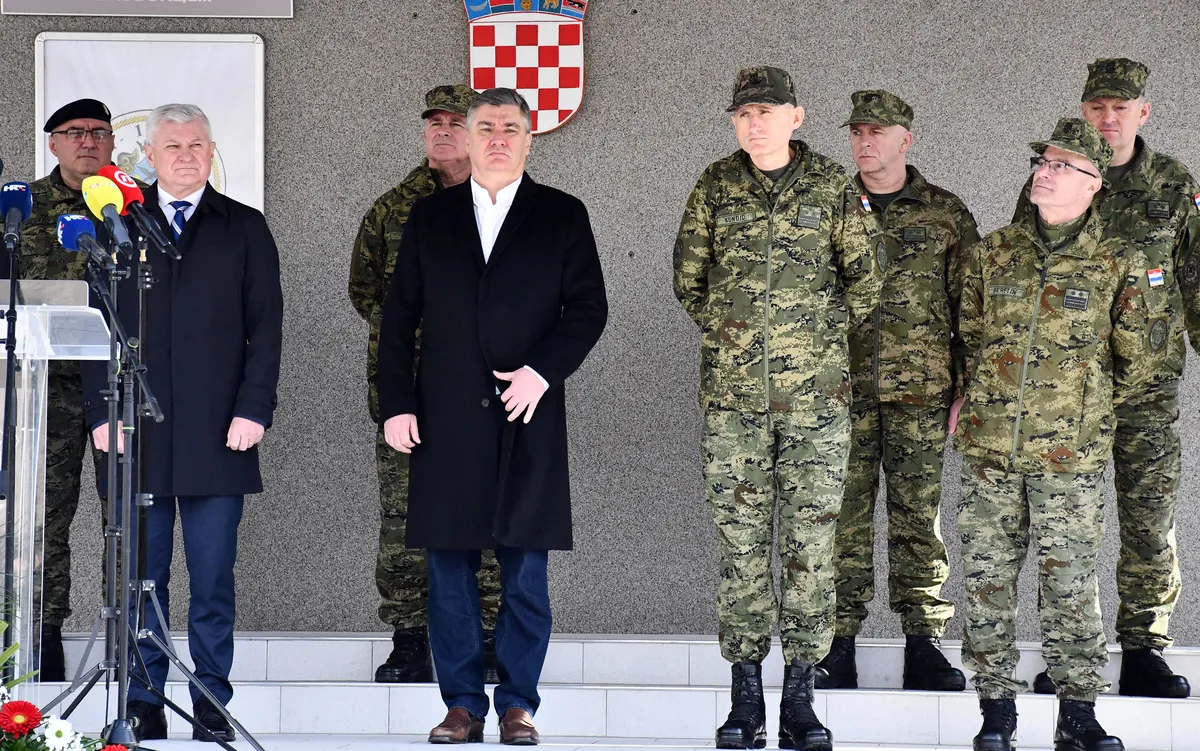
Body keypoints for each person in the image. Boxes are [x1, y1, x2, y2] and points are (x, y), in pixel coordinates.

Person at [376, 88, 607, 746]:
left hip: (527, 414)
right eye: (486, 128)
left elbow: (588, 308)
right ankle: (461, 705)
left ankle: (517, 705)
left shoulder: (562, 213)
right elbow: (398, 317)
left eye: (510, 128)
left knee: (524, 571)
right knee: (448, 570)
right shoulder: (430, 217)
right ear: (469, 140)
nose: (498, 138)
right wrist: (397, 403)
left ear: (530, 140)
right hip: (444, 418)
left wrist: (542, 371)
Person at [673, 66, 883, 751]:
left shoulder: (832, 186)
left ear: (796, 116)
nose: (754, 122)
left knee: (810, 548)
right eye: (743, 113)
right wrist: (737, 337)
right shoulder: (715, 185)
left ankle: (799, 698)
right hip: (734, 405)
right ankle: (744, 700)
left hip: (816, 407)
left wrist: (811, 342)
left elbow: (866, 280)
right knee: (740, 548)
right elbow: (689, 280)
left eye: (766, 111)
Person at [953, 118, 1161, 751]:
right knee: (986, 582)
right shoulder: (994, 251)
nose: (1043, 172)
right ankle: (995, 711)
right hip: (990, 452)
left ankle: (1077, 712)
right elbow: (970, 336)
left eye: (1060, 166)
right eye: (1042, 162)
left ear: (1093, 183)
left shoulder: (1118, 262)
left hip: (1069, 458)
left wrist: (1083, 410)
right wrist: (978, 400)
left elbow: (1139, 360)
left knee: (1070, 587)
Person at [82, 103, 283, 743]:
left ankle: (211, 698)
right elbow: (95, 327)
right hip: (135, 433)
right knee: (142, 578)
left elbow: (266, 327)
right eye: (173, 146)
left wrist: (254, 408)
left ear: (212, 150)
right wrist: (100, 412)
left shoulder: (243, 226)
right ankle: (143, 699)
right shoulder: (117, 225)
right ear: (149, 155)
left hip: (220, 431)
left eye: (197, 144)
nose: (186, 155)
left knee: (213, 577)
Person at [1013, 58, 1200, 699]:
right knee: (1070, 526)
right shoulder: (1052, 176)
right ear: (1084, 110)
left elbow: (1195, 278)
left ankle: (1144, 650)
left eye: (1121, 107)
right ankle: (1072, 655)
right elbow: (1025, 270)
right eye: (1098, 106)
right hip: (1069, 390)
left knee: (1149, 518)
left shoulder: (1174, 184)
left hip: (1148, 387)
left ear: (1143, 112)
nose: (1109, 118)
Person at [819, 89, 978, 692]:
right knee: (842, 518)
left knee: (918, 516)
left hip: (922, 392)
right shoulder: (829, 204)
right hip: (841, 391)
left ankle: (924, 644)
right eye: (857, 131)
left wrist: (967, 386)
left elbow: (972, 307)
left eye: (877, 132)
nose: (865, 142)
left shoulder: (944, 212)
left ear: (904, 140)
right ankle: (837, 646)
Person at [349, 83, 502, 684]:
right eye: (434, 123)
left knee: (488, 510)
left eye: (455, 122)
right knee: (403, 515)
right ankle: (410, 637)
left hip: (485, 389)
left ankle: (488, 636)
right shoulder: (393, 209)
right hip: (409, 393)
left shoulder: (500, 204)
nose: (442, 132)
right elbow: (367, 292)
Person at [5, 97, 126, 682]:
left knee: (125, 516)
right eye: (75, 132)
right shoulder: (19, 210)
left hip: (121, 387)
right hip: (42, 389)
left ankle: (127, 637)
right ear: (52, 142)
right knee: (41, 516)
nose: (88, 141)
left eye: (99, 132)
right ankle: (39, 635)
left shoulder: (130, 207)